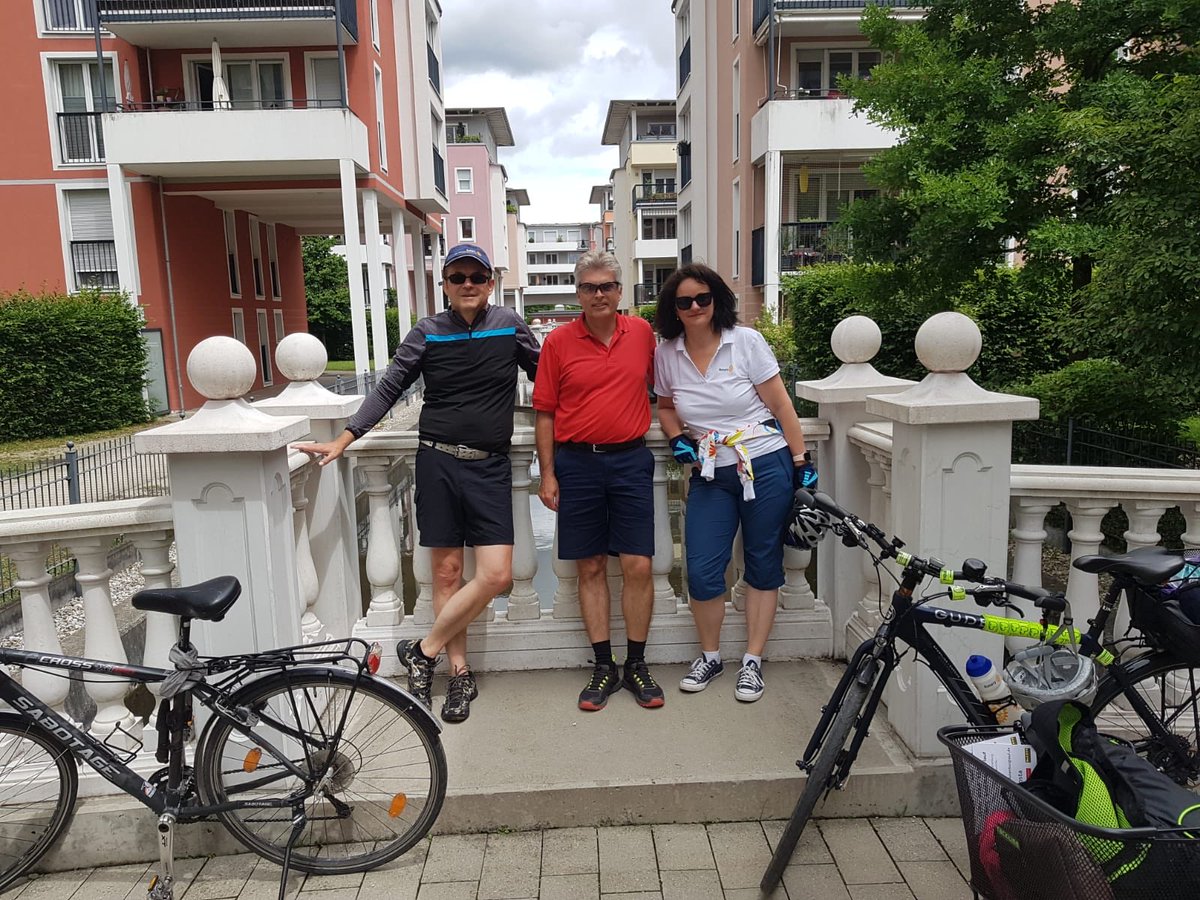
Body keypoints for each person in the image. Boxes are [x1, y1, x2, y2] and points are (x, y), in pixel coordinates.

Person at [294, 243, 540, 723]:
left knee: (496, 576)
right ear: (445, 285)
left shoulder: (510, 325)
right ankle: (458, 672)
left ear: (490, 282)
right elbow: (390, 388)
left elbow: (552, 378)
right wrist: (344, 440)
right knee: (447, 573)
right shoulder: (427, 332)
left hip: (489, 466)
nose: (468, 283)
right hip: (438, 464)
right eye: (458, 277)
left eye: (477, 276)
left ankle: (422, 651)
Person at [653, 263, 813, 702]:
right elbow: (666, 406)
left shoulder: (745, 342)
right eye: (684, 301)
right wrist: (676, 439)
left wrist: (802, 461)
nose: (694, 307)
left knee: (763, 562)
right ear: (674, 308)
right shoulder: (667, 353)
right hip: (709, 471)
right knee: (703, 569)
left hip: (763, 462)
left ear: (716, 300)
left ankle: (752, 662)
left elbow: (781, 405)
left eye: (703, 298)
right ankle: (709, 656)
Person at [532, 250, 662, 711]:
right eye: (590, 287)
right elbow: (544, 411)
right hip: (577, 464)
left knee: (639, 566)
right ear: (578, 294)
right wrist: (547, 474)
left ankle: (637, 664)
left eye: (607, 285)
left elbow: (667, 388)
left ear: (620, 291)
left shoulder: (643, 334)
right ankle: (603, 666)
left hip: (630, 461)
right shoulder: (558, 343)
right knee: (589, 567)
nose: (599, 293)